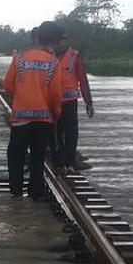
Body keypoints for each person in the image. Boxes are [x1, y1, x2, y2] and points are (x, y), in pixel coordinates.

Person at [1, 21, 65, 199]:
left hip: (20, 117)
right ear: (52, 41)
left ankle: (16, 192)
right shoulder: (53, 62)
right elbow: (55, 94)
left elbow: (7, 85)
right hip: (43, 119)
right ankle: (35, 193)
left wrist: (21, 95)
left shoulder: (20, 59)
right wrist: (55, 112)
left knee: (16, 156)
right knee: (38, 158)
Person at [53, 36, 94, 173]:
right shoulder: (49, 56)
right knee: (56, 132)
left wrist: (88, 102)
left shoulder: (74, 57)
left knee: (70, 132)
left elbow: (83, 80)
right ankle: (60, 160)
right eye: (56, 41)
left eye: (60, 41)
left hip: (69, 103)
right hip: (52, 101)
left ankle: (70, 160)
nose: (58, 44)